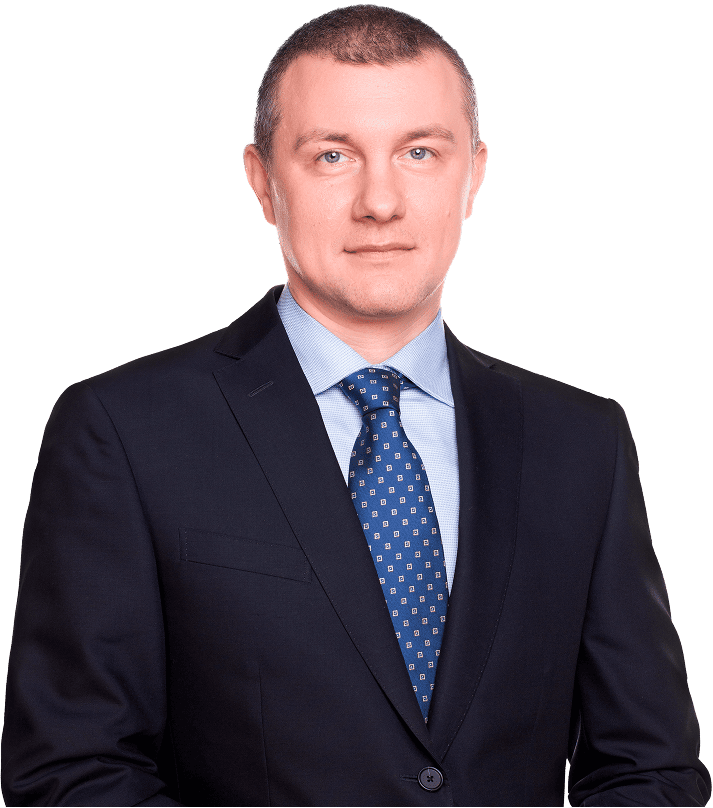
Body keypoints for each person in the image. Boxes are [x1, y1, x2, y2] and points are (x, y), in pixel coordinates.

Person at [2, 4, 709, 806]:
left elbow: (649, 768)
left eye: (419, 152)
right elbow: (72, 770)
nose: (380, 202)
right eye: (332, 156)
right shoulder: (124, 430)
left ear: (472, 175)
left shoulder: (579, 441)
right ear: (263, 180)